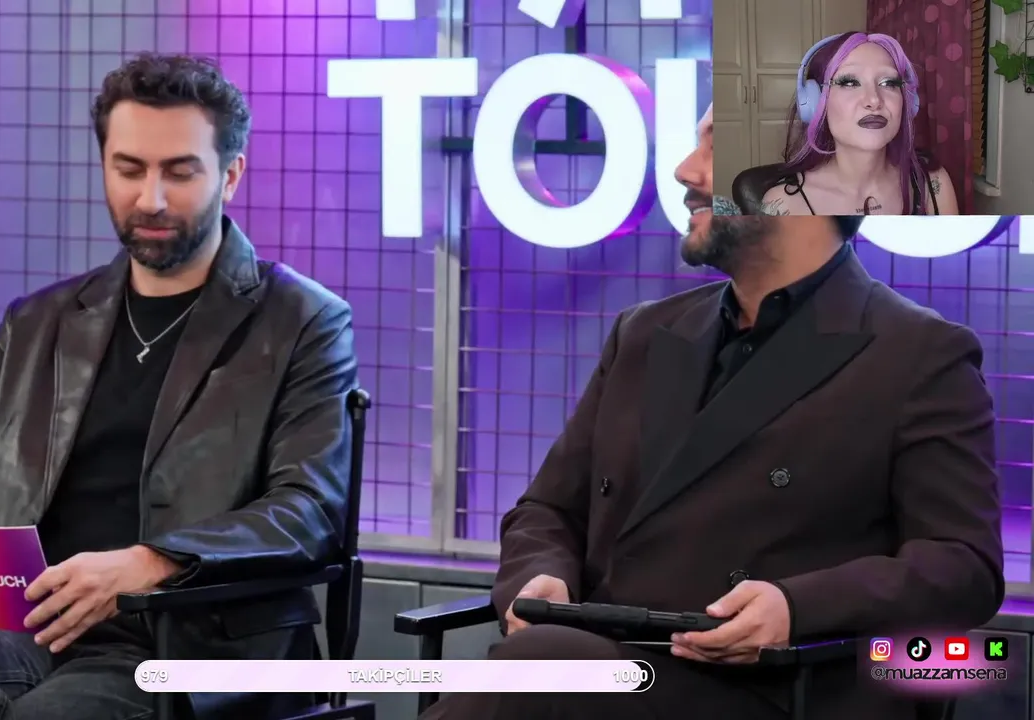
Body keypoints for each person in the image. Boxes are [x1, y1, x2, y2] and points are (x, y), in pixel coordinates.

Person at [420, 105, 1003, 720]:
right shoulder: (644, 334)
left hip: (773, 690)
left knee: (542, 670)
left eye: (715, 150)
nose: (684, 170)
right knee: (545, 664)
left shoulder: (917, 355)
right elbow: (548, 509)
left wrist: (797, 607)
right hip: (601, 661)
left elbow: (962, 566)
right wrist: (540, 577)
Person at [0, 53, 358, 720]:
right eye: (129, 169)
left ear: (231, 174)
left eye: (179, 172)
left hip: (190, 645)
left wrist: (152, 562)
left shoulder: (302, 321)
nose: (151, 199)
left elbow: (309, 510)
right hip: (33, 625)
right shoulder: (39, 321)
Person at [759, 32, 959, 216]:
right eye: (849, 83)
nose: (874, 100)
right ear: (816, 101)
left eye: (888, 83)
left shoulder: (932, 184)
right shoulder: (784, 204)